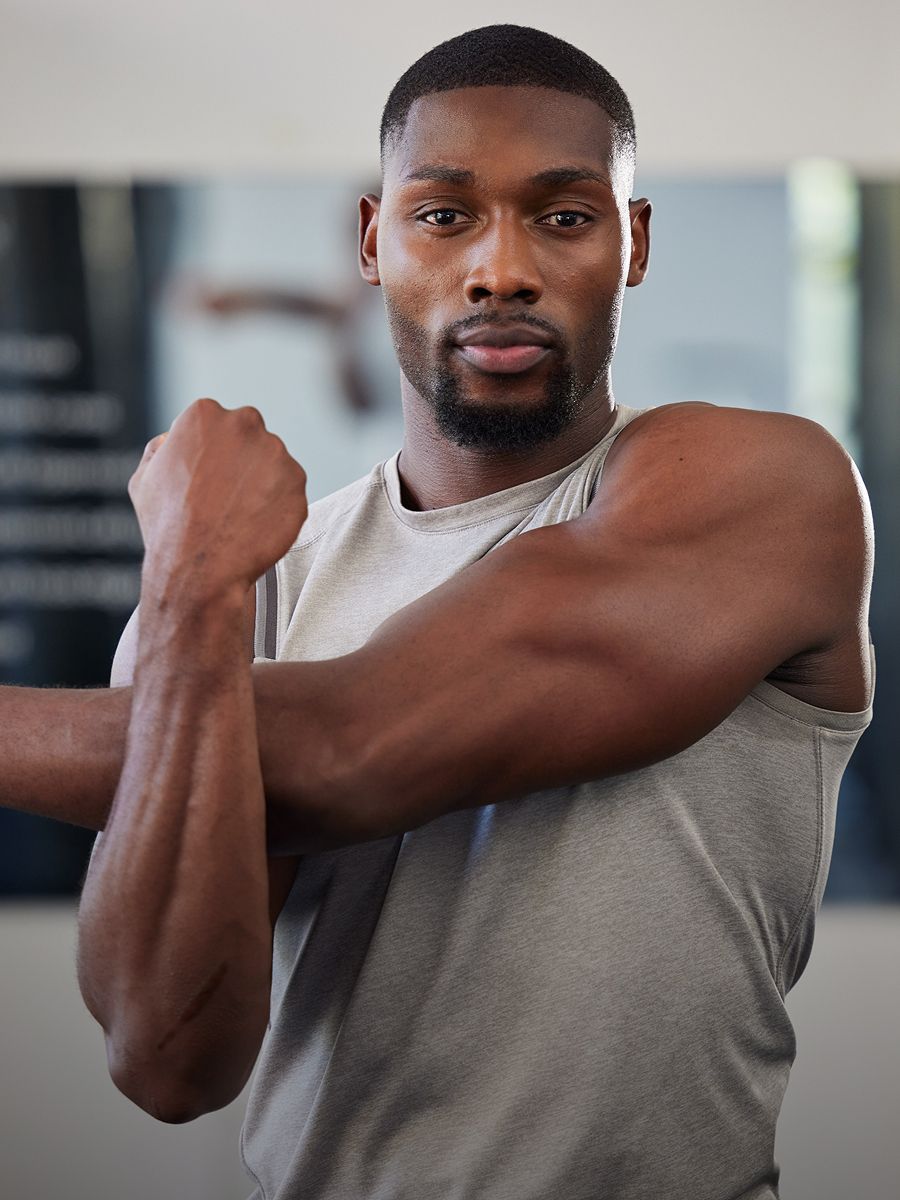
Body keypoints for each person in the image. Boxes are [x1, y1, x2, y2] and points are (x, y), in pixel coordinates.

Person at [2, 23, 875, 1200]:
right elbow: (167, 1061)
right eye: (443, 214)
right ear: (373, 241)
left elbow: (349, 743)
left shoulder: (762, 487)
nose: (500, 268)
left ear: (635, 243)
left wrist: (188, 617)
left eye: (565, 216)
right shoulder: (249, 583)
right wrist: (196, 596)